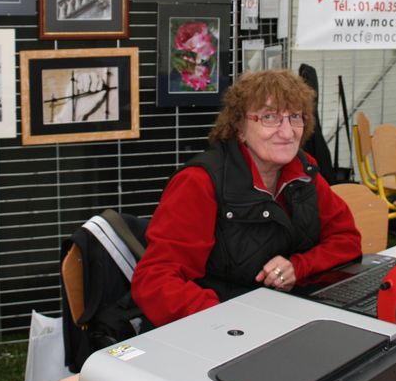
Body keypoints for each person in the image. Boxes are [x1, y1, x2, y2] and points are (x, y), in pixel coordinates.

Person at [131, 70, 362, 327]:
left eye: (294, 116)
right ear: (239, 126)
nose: (287, 133)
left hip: (282, 316)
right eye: (269, 117)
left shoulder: (304, 172)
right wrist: (226, 322)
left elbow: (347, 240)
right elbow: (155, 280)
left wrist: (299, 266)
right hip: (215, 327)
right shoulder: (200, 183)